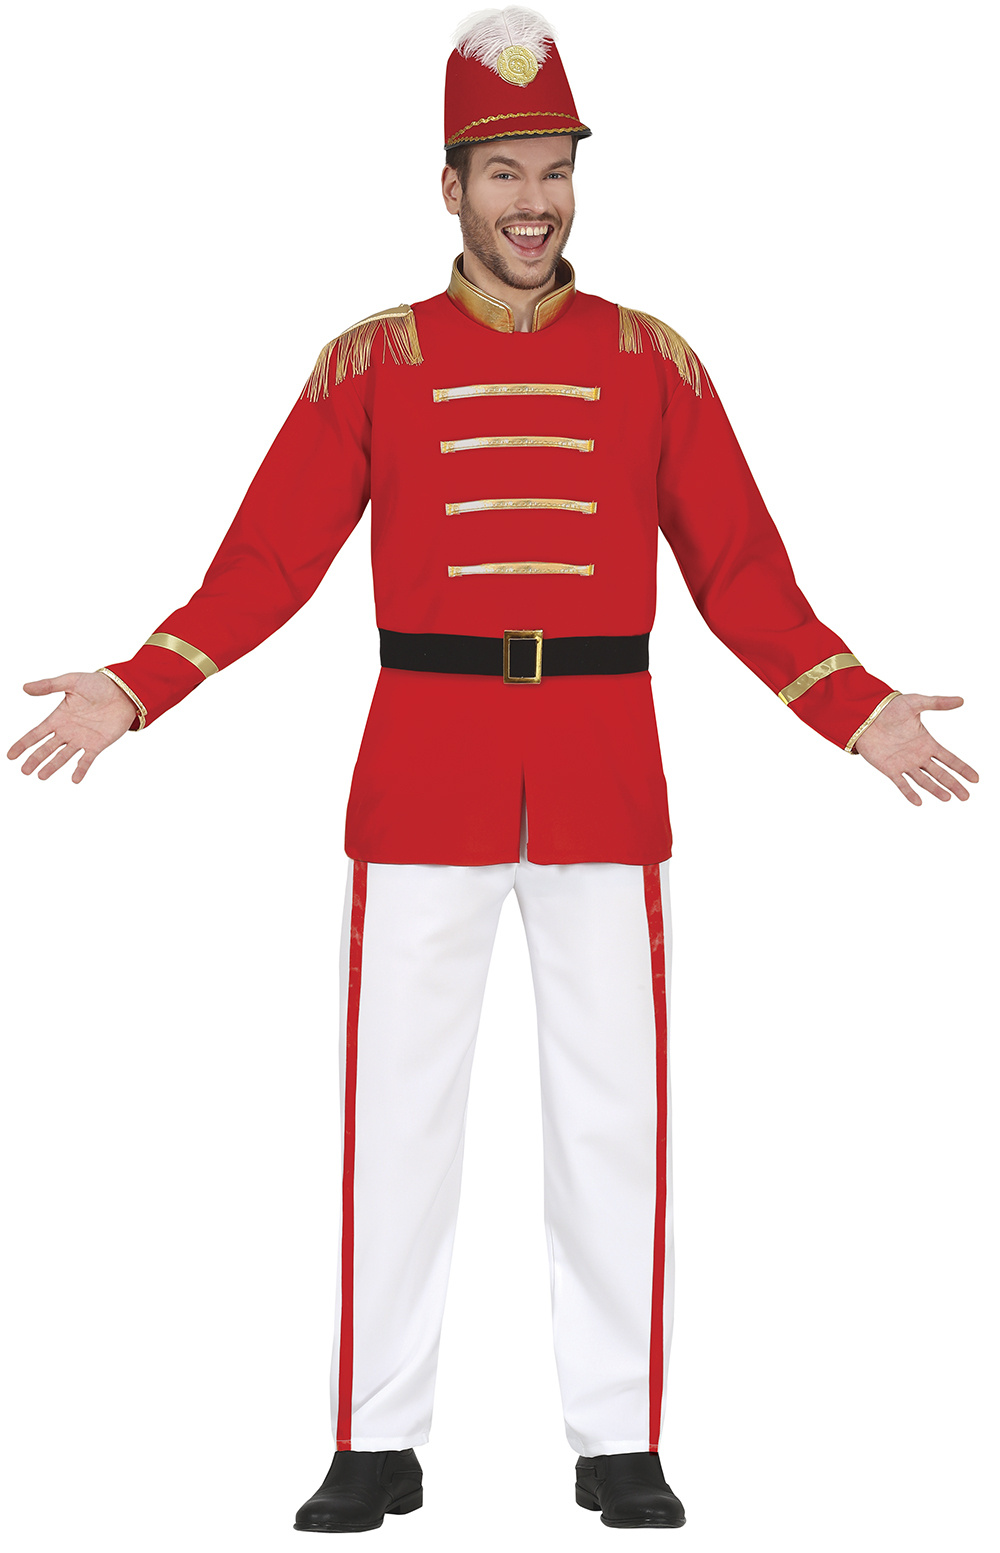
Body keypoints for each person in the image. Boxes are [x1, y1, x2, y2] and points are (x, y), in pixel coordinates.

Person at [6, 5, 978, 1535]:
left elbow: (742, 575)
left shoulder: (654, 362)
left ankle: (618, 1437)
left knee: (614, 1118)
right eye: (505, 172)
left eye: (557, 170)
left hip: (603, 773)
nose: (537, 202)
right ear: (448, 184)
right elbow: (266, 562)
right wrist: (139, 685)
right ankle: (374, 1437)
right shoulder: (370, 363)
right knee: (394, 1118)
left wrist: (859, 711)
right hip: (425, 775)